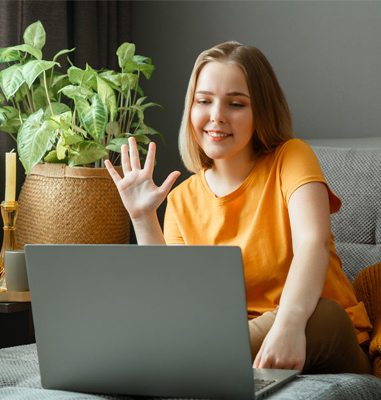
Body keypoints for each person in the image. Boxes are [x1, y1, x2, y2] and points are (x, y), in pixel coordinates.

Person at [105, 41, 373, 374]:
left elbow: (312, 242)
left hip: (316, 327)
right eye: (204, 101)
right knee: (170, 332)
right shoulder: (181, 199)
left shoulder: (291, 157)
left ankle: (181, 358)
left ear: (261, 111)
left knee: (324, 314)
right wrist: (142, 217)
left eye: (236, 103)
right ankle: (191, 357)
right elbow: (173, 300)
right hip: (234, 338)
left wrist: (287, 326)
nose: (216, 116)